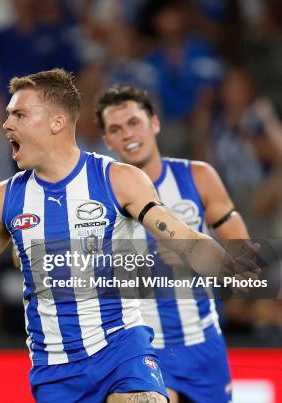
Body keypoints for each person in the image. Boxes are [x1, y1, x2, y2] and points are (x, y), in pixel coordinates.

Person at [0, 69, 256, 402]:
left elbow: (181, 235)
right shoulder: (5, 199)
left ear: (56, 122)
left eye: (18, 114)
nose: (6, 124)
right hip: (55, 370)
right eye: (7, 115)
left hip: (123, 350)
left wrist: (235, 268)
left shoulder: (117, 180)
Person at [95, 85, 252, 403]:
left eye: (134, 122)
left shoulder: (198, 177)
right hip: (141, 348)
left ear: (154, 124)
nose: (127, 134)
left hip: (204, 346)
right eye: (116, 129)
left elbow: (247, 268)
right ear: (107, 140)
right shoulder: (97, 194)